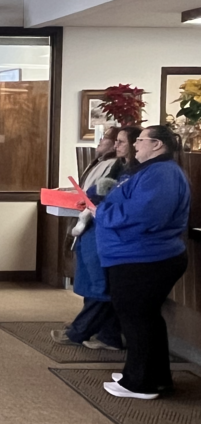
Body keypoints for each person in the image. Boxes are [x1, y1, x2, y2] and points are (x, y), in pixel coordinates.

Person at [93, 125, 189, 400]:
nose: (136, 145)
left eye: (141, 140)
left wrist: (102, 213)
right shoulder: (151, 170)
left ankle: (142, 383)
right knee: (143, 319)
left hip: (144, 257)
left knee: (137, 320)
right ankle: (150, 376)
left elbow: (144, 215)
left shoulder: (162, 174)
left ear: (157, 145)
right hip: (135, 256)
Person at [51, 127, 124, 350]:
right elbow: (90, 191)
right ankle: (106, 334)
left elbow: (101, 195)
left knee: (98, 284)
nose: (100, 142)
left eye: (112, 140)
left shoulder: (117, 166)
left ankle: (81, 330)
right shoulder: (103, 162)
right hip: (90, 223)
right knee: (91, 281)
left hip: (100, 226)